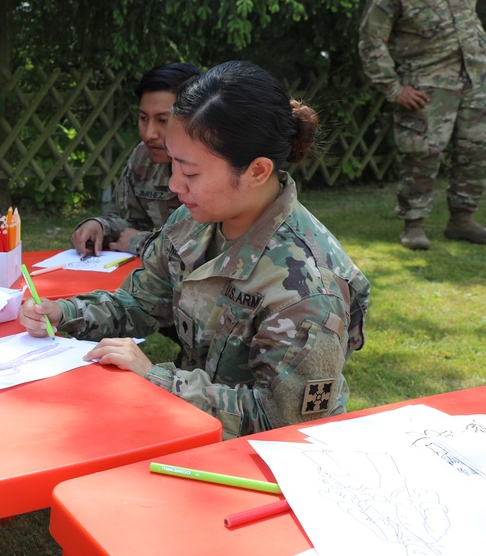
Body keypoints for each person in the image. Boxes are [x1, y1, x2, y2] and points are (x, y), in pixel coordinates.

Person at [20, 61, 370, 440]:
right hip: (190, 431)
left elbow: (284, 423)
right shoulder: (195, 220)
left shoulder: (308, 287)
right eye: (173, 164)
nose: (174, 185)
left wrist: (156, 378)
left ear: (256, 171)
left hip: (263, 467)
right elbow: (139, 303)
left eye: (190, 173)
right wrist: (64, 312)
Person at [358, 0, 486, 250]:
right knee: (421, 155)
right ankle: (413, 225)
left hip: (474, 78)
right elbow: (371, 40)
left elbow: (470, 20)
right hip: (427, 87)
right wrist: (394, 88)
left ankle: (462, 220)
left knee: (476, 150)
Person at [71, 63, 200, 257]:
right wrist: (100, 226)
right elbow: (129, 223)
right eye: (143, 118)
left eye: (163, 120)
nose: (149, 134)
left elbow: (207, 251)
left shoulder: (214, 167)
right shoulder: (143, 157)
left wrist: (141, 242)